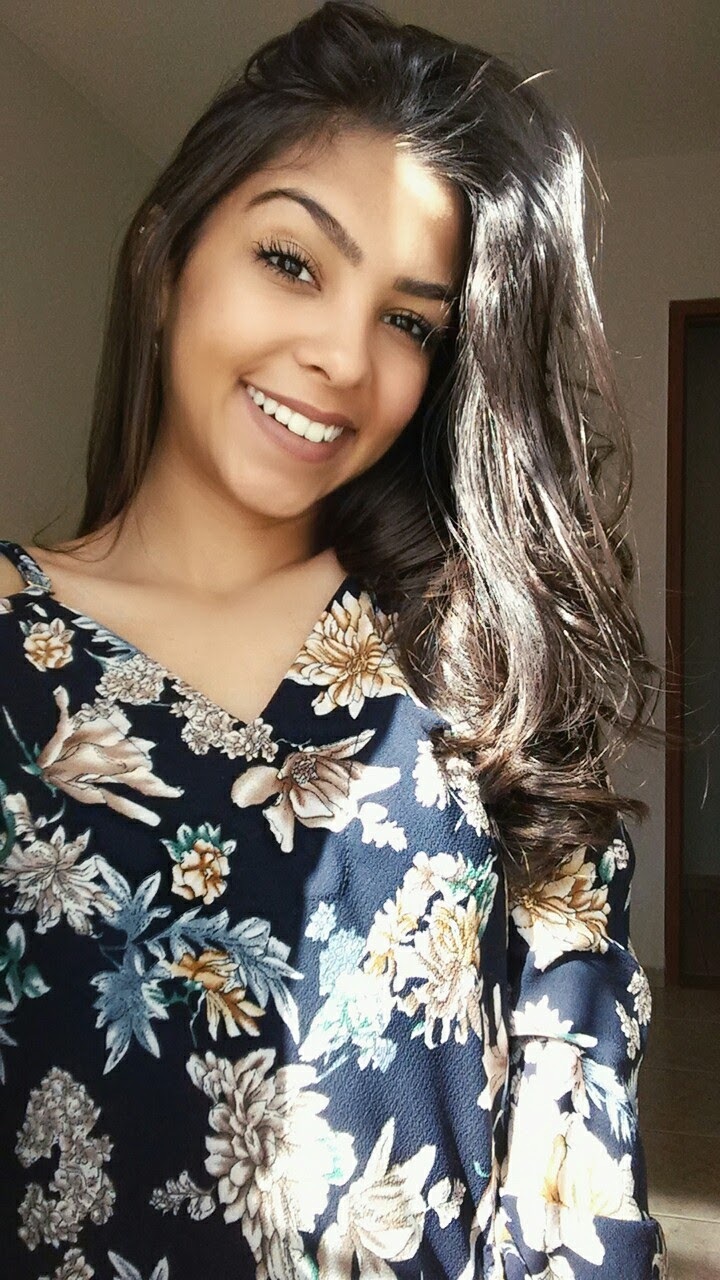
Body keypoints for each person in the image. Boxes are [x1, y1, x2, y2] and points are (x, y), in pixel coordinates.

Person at [0, 3, 667, 1277]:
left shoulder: (485, 653)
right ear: (164, 256)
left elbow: (575, 1123)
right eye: (292, 261)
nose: (342, 358)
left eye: (410, 321)